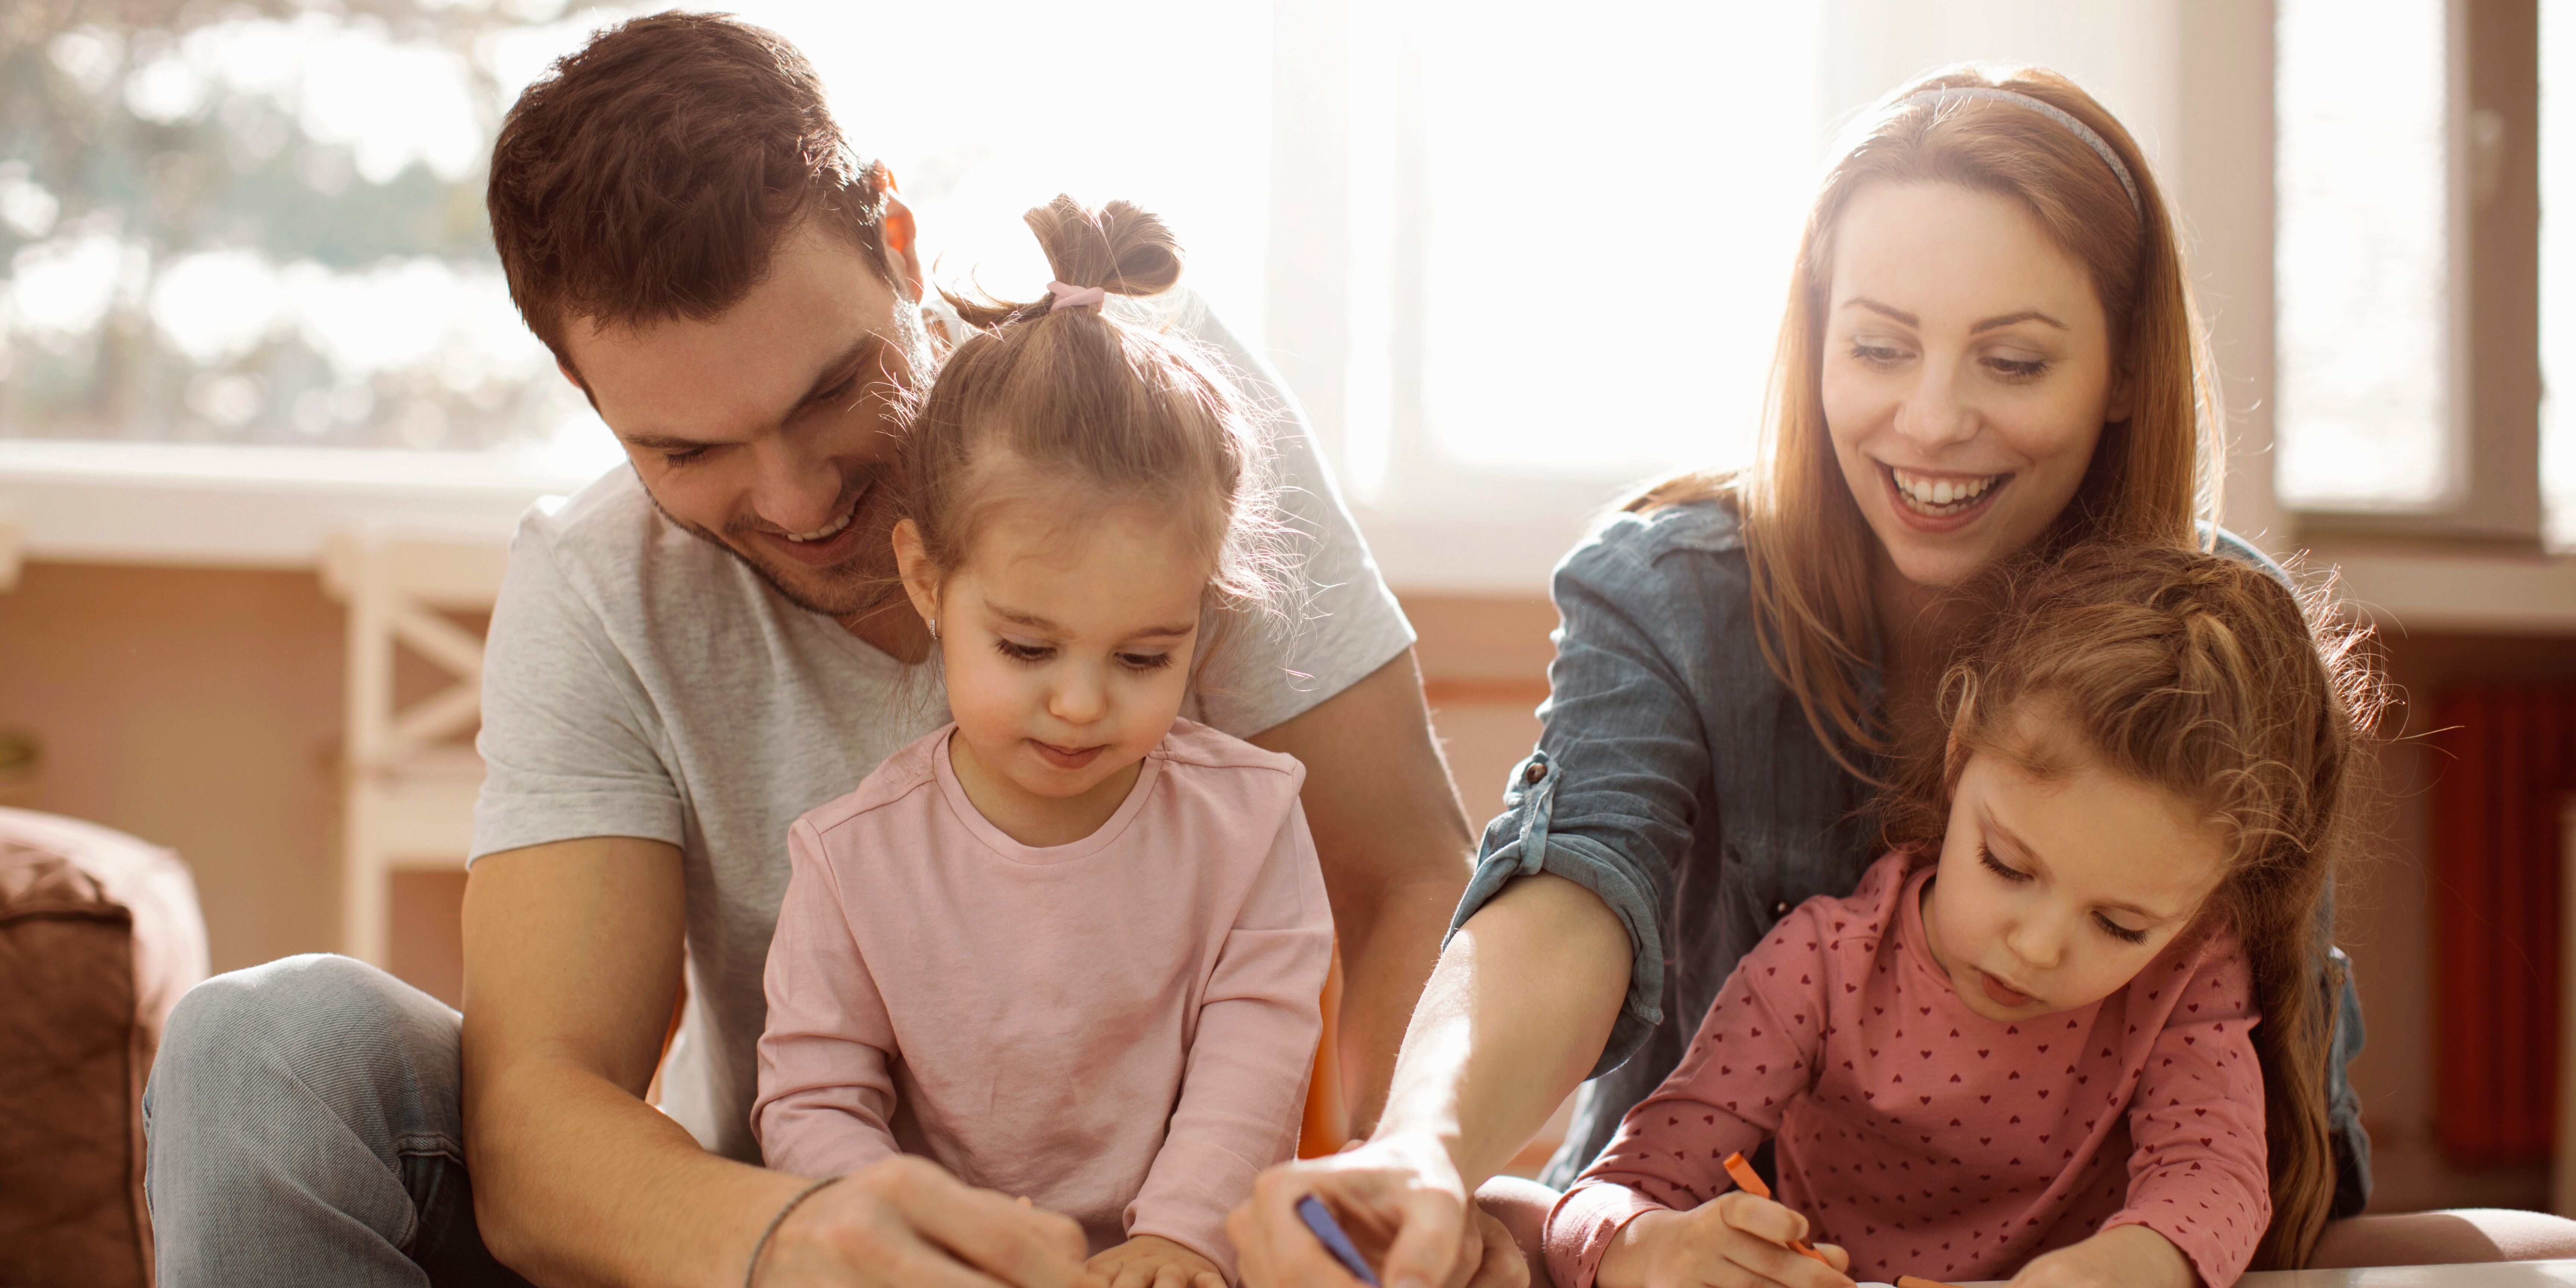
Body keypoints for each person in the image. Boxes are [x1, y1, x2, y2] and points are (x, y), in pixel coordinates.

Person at [141, 15, 1479, 1287]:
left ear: (897, 239)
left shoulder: (1151, 419)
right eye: (687, 449)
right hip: (768, 1231)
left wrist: (1372, 1198)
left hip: (1176, 1249)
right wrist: (803, 1241)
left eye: (832, 390)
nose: (792, 499)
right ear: (585, 392)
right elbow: (539, 1116)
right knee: (261, 1041)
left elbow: (1410, 867)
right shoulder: (598, 583)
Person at [1231, 64, 2576, 1288]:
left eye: (2014, 359)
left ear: (2120, 370)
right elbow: (1577, 879)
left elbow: (2248, 1110)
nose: (1931, 420)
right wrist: (1424, 1144)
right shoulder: (1677, 590)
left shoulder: (2222, 647)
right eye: (1878, 346)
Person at [752, 196, 1333, 1288]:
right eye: (1027, 650)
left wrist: (1176, 1239)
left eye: (1143, 659)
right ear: (928, 581)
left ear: (1200, 620)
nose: (1079, 706)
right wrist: (907, 1246)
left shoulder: (1248, 823)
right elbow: (816, 1098)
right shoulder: (851, 857)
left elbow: (1254, 1062)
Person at [1549, 543, 2372, 1288]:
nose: (2037, 947)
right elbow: (1614, 1192)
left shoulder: (2190, 971)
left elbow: (2215, 1177)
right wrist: (1646, 1245)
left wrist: (2123, 1271)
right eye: (2009, 867)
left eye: (2121, 925)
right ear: (1957, 759)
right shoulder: (1821, 966)